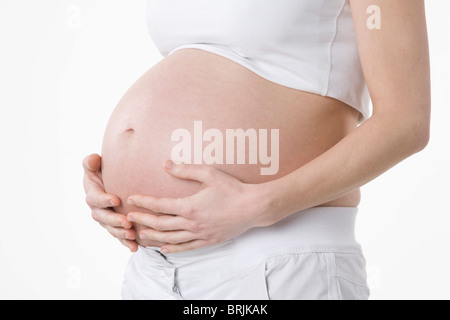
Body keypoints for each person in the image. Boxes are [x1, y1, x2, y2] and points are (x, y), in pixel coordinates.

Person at [83, 0, 430, 300]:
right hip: (153, 270)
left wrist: (261, 205)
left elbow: (405, 123)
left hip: (277, 262)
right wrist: (112, 181)